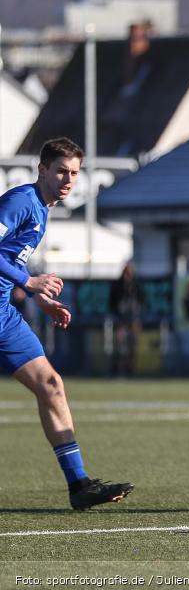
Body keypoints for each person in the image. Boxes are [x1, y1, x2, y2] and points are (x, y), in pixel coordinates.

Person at [0, 137, 133, 510]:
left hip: (3, 314)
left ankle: (79, 485)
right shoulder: (22, 201)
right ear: (41, 169)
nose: (68, 179)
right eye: (61, 170)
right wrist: (28, 283)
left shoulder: (42, 209)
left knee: (51, 385)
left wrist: (39, 297)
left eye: (74, 172)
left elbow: (10, 256)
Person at [108, 261, 144, 376]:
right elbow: (112, 303)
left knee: (132, 346)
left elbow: (141, 302)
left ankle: (130, 370)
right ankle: (117, 370)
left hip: (133, 320)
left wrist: (137, 318)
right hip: (120, 320)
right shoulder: (118, 285)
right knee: (119, 346)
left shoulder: (136, 285)